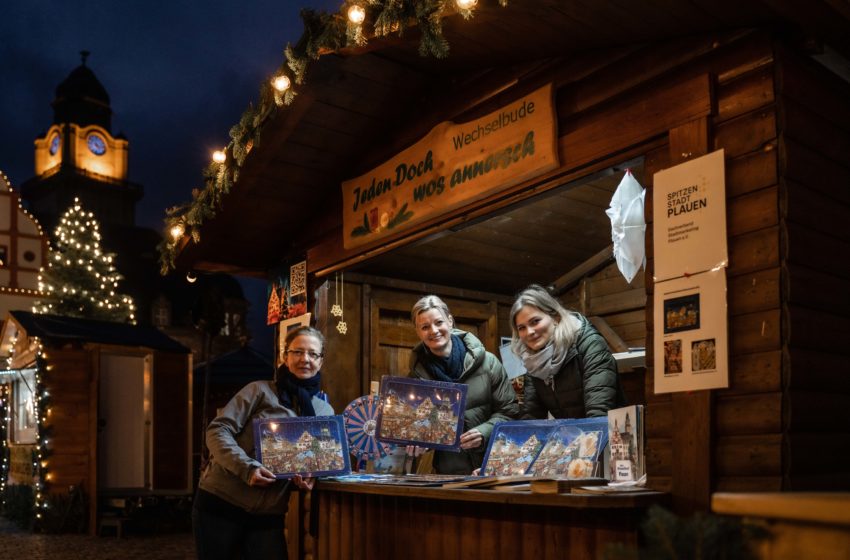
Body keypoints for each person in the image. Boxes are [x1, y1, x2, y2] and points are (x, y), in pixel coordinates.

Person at [193, 326, 334, 560]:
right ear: (284, 356)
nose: (305, 359)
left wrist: (310, 477)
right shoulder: (259, 391)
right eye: (298, 352)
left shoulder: (324, 411)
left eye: (312, 354)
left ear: (321, 361)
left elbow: (319, 459)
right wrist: (247, 468)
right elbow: (217, 431)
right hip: (220, 503)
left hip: (269, 515)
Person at [408, 295, 519, 474]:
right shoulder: (415, 377)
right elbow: (417, 425)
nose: (433, 330)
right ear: (418, 332)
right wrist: (419, 441)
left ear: (450, 321)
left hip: (490, 468)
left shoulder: (488, 363)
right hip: (448, 472)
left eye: (438, 322)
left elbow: (510, 411)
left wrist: (484, 432)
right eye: (425, 327)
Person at [510, 284, 625, 419]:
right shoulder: (533, 361)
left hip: (608, 433)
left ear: (556, 318)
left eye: (535, 321)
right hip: (573, 435)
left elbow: (599, 412)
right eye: (522, 328)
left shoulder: (590, 344)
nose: (529, 332)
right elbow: (531, 416)